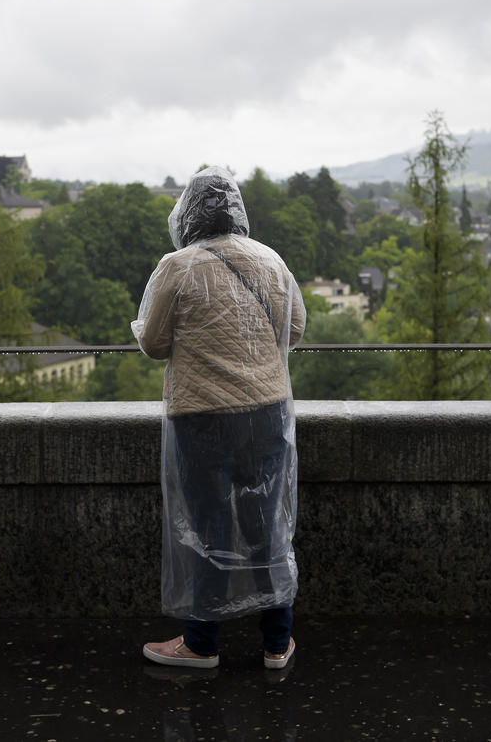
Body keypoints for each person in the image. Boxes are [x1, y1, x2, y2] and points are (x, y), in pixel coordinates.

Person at [132, 166, 306, 670]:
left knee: (209, 528)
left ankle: (201, 643)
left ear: (188, 214)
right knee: (266, 526)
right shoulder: (272, 261)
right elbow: (293, 330)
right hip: (268, 414)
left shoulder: (178, 266)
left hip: (202, 416)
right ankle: (278, 643)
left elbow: (154, 343)